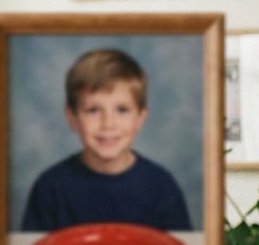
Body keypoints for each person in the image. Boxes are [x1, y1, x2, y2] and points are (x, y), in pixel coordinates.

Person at [20, 48, 192, 231]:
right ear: (72, 118)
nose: (108, 124)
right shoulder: (50, 187)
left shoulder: (162, 187)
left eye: (122, 110)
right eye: (93, 110)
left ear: (140, 119)